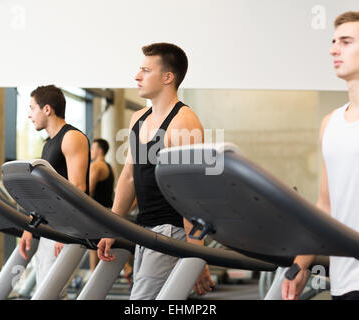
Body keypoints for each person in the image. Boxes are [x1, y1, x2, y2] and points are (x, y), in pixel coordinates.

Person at [282, 11, 359, 300]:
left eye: (345, 41)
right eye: (334, 42)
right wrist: (301, 263)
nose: (333, 49)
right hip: (342, 275)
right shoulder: (330, 123)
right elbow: (325, 204)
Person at [97, 42, 215, 299]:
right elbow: (128, 177)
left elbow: (191, 195)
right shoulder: (138, 118)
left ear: (167, 77)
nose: (137, 76)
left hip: (171, 231)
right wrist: (112, 227)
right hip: (145, 228)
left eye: (145, 70)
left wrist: (198, 256)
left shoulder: (184, 122)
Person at [18, 85, 90, 287]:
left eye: (32, 108)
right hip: (51, 227)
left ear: (47, 109)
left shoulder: (71, 137)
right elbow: (44, 193)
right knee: (47, 290)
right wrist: (29, 228)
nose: (29, 115)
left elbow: (78, 188)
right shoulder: (49, 144)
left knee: (51, 291)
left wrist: (67, 232)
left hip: (65, 229)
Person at [88, 138, 115, 271]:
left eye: (92, 148)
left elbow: (89, 190)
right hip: (107, 211)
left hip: (97, 212)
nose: (90, 151)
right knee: (100, 246)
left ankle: (94, 275)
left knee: (93, 247)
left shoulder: (96, 165)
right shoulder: (110, 167)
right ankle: (127, 270)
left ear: (99, 150)